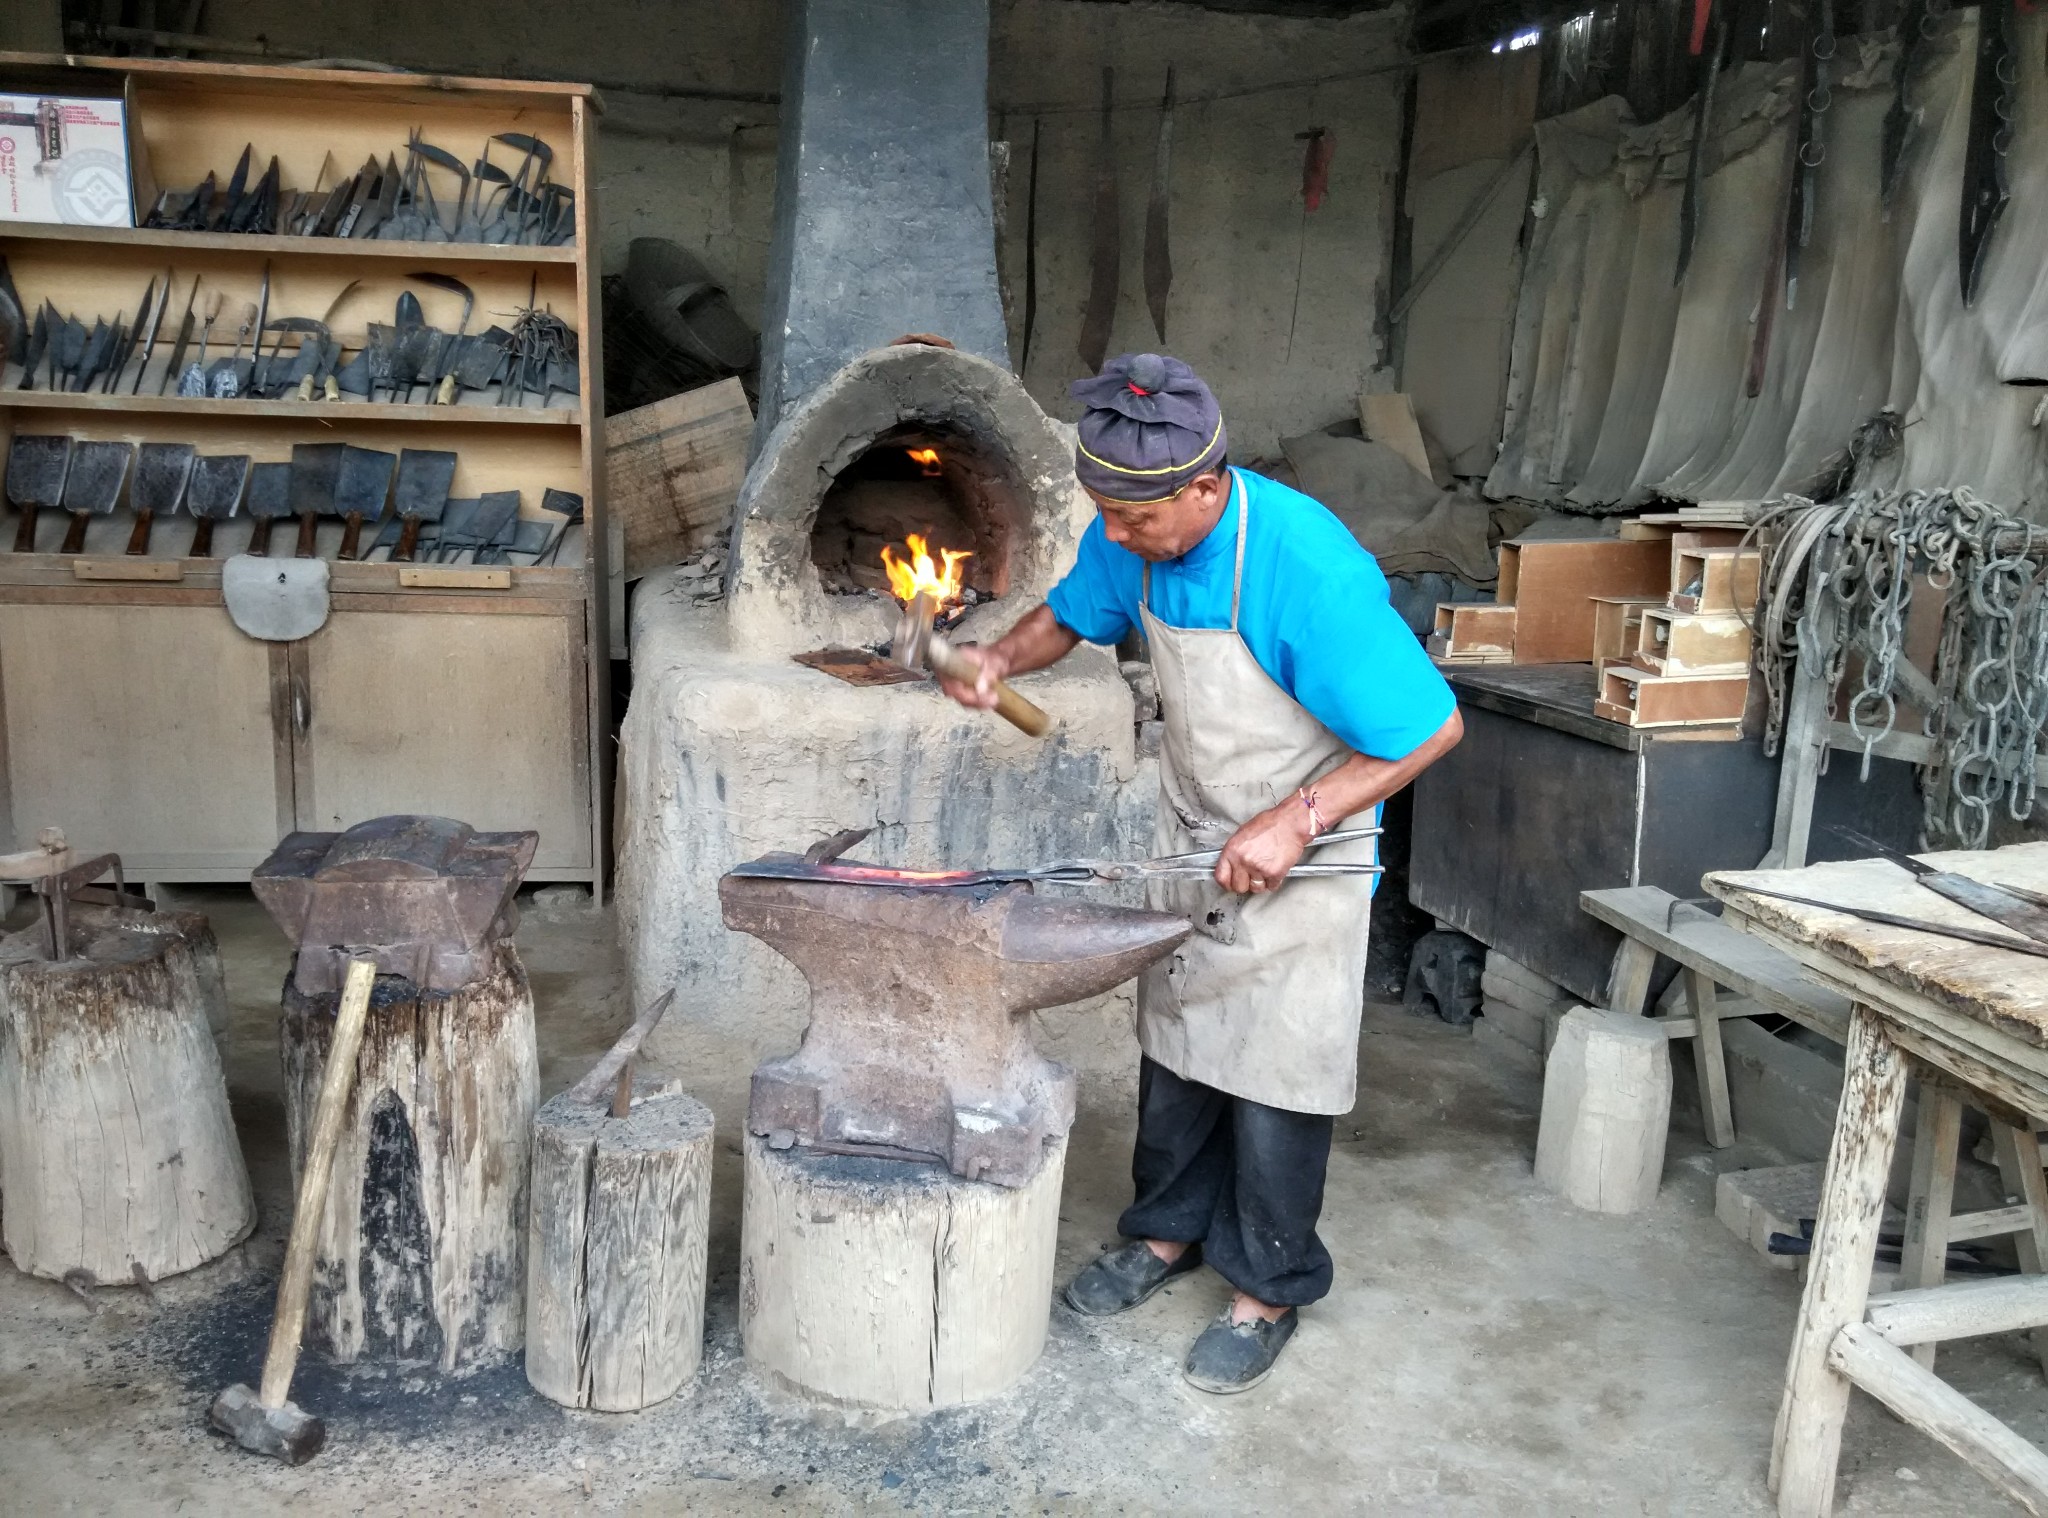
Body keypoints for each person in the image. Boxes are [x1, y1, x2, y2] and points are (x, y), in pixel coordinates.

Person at [937, 353, 1463, 1393]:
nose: (1115, 534)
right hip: (1196, 833)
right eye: (1105, 514)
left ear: (1207, 488)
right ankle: (1164, 1230)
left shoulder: (1304, 569)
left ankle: (1267, 1286)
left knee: (1277, 1074)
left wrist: (1296, 820)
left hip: (1303, 851)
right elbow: (1069, 615)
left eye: (1134, 519)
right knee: (1176, 1048)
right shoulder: (1127, 532)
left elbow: (1428, 727)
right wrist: (998, 660)